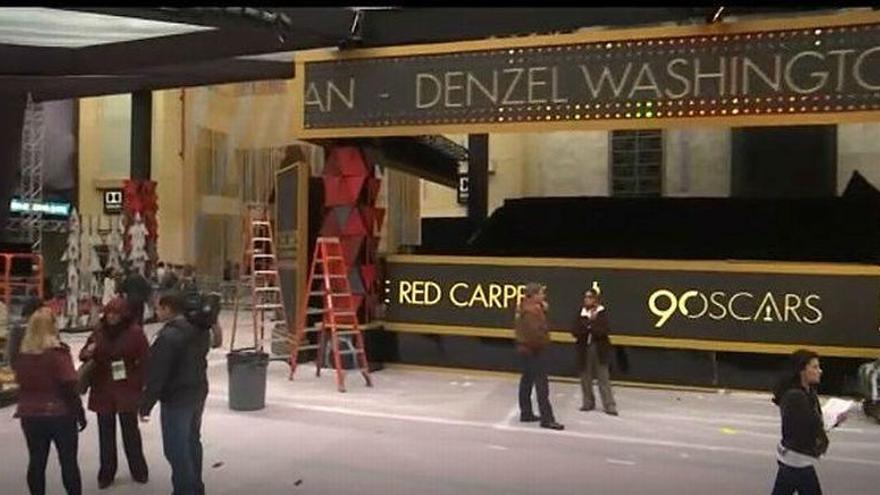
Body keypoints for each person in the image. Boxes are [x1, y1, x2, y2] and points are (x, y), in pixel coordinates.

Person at [139, 292, 210, 495]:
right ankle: (197, 487)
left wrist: (146, 404)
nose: (156, 312)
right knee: (192, 441)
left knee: (176, 450)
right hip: (197, 392)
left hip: (177, 399)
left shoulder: (169, 336)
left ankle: (185, 490)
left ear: (168, 309)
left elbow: (158, 373)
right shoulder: (199, 329)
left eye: (158, 308)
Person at [12, 308, 86, 495]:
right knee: (68, 461)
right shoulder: (58, 353)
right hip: (59, 413)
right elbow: (69, 384)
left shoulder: (22, 356)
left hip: (29, 414)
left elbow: (19, 381)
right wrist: (79, 412)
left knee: (36, 461)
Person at [79, 297, 149, 489]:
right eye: (109, 313)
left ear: (124, 315)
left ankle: (139, 469)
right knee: (105, 433)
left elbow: (145, 359)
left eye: (116, 314)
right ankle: (107, 472)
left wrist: (140, 383)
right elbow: (83, 353)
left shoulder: (135, 333)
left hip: (126, 386)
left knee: (130, 432)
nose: (111, 317)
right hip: (103, 386)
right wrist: (88, 351)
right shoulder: (98, 332)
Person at [770, 349, 847, 495]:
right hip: (797, 459)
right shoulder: (795, 396)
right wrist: (830, 421)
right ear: (802, 371)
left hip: (795, 458)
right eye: (815, 367)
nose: (820, 371)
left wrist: (834, 420)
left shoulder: (808, 391)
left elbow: (814, 423)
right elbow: (808, 428)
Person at [514, 283, 564, 431]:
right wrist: (543, 343)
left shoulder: (523, 307)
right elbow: (535, 333)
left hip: (525, 349)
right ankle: (547, 418)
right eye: (541, 293)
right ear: (534, 295)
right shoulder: (532, 311)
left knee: (527, 380)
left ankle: (526, 412)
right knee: (541, 384)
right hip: (535, 351)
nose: (544, 296)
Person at [571, 288, 618, 416]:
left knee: (603, 378)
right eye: (586, 297)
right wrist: (589, 325)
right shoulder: (580, 314)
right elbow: (575, 331)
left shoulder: (602, 313)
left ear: (596, 300)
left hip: (599, 349)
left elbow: (604, 331)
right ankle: (588, 402)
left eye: (590, 297)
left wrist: (590, 326)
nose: (587, 299)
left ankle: (609, 405)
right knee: (585, 377)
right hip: (584, 349)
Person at [5, 295, 44, 367]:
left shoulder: (17, 327)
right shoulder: (48, 327)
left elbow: (11, 354)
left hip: (20, 369)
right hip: (44, 370)